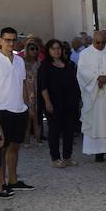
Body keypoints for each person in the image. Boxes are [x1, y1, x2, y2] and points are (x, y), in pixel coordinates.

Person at [0, 27, 34, 192]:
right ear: (0, 41)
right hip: (1, 110)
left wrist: (27, 106)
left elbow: (23, 84)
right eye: (7, 40)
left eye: (13, 40)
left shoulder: (19, 60)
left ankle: (13, 180)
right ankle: (0, 183)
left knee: (14, 147)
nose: (10, 43)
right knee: (1, 149)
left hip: (19, 110)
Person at [77, 29, 106, 162]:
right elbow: (82, 73)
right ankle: (97, 152)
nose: (100, 45)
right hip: (93, 95)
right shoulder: (85, 54)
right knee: (96, 121)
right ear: (92, 41)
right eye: (97, 43)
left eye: (103, 43)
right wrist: (97, 79)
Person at [39, 39, 80, 168]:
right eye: (53, 48)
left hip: (70, 102)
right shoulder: (45, 66)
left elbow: (75, 83)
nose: (56, 51)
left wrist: (78, 100)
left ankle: (67, 157)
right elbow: (42, 86)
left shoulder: (69, 65)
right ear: (48, 51)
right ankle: (55, 158)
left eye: (58, 48)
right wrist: (47, 102)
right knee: (54, 131)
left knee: (69, 130)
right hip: (54, 102)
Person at [20, 37, 44, 143]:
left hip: (38, 91)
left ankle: (38, 139)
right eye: (32, 49)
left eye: (36, 49)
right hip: (25, 91)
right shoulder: (21, 63)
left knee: (37, 117)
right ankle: (26, 140)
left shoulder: (40, 63)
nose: (34, 51)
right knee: (27, 117)